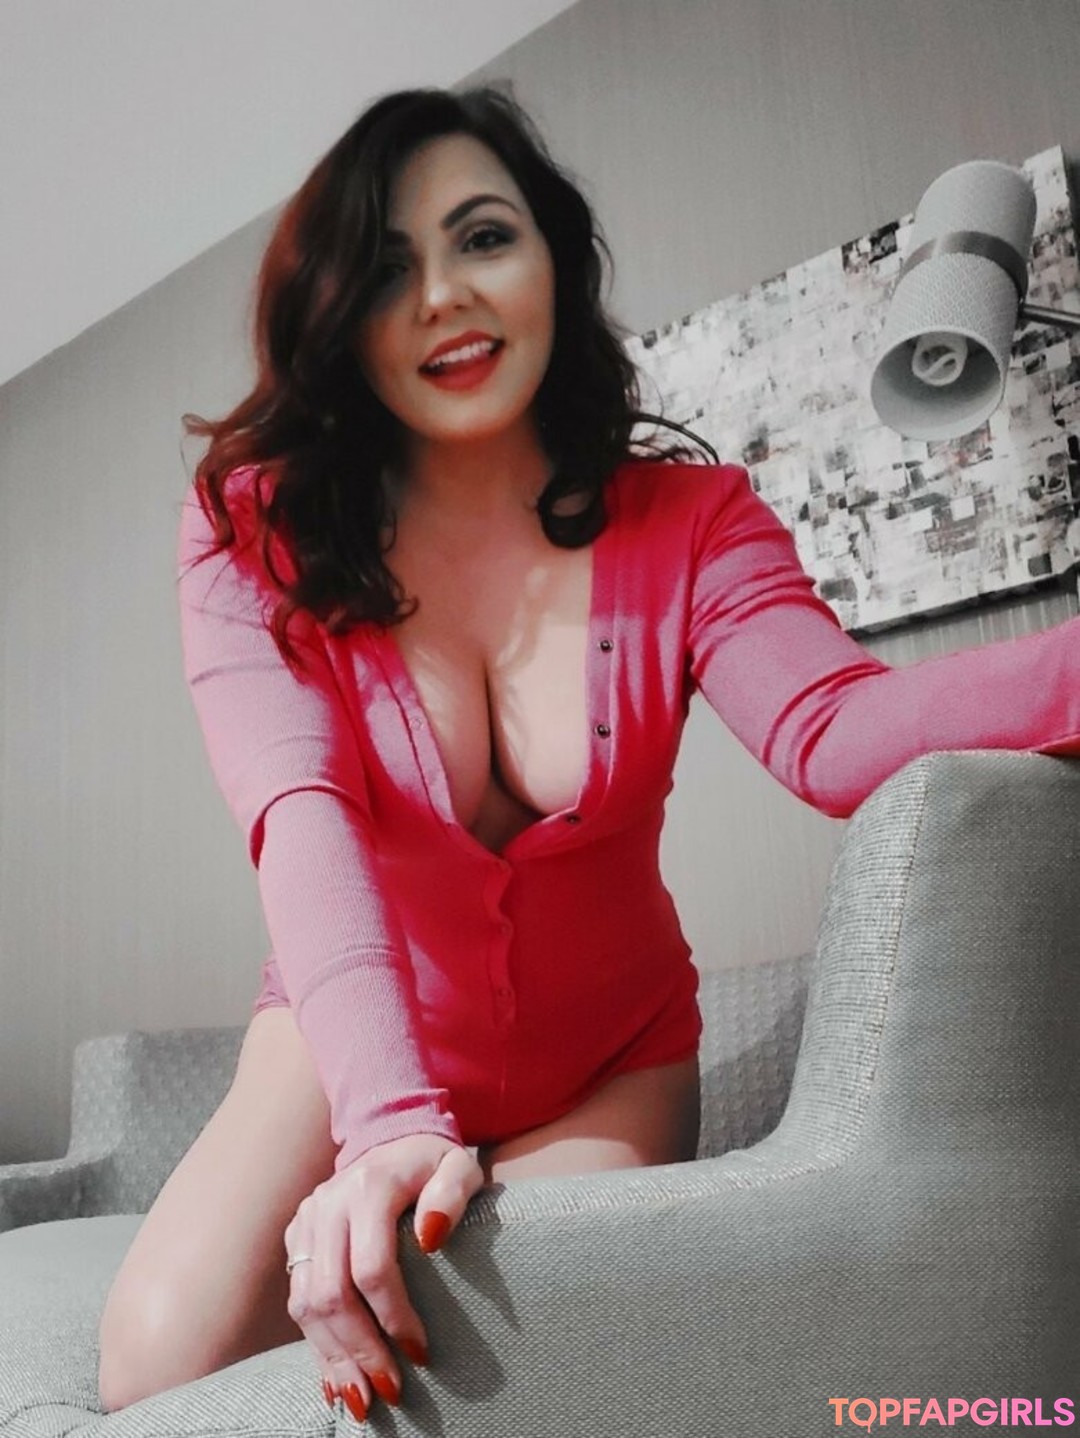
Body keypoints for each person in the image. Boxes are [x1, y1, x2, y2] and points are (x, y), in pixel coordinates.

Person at [97, 84, 1080, 1420]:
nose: (443, 294)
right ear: (339, 317)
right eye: (387, 267)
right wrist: (387, 1124)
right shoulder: (252, 527)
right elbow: (300, 817)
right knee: (154, 1362)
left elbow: (837, 732)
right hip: (340, 1047)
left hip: (609, 1066)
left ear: (553, 261)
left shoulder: (695, 519)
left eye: (482, 236)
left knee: (496, 1370)